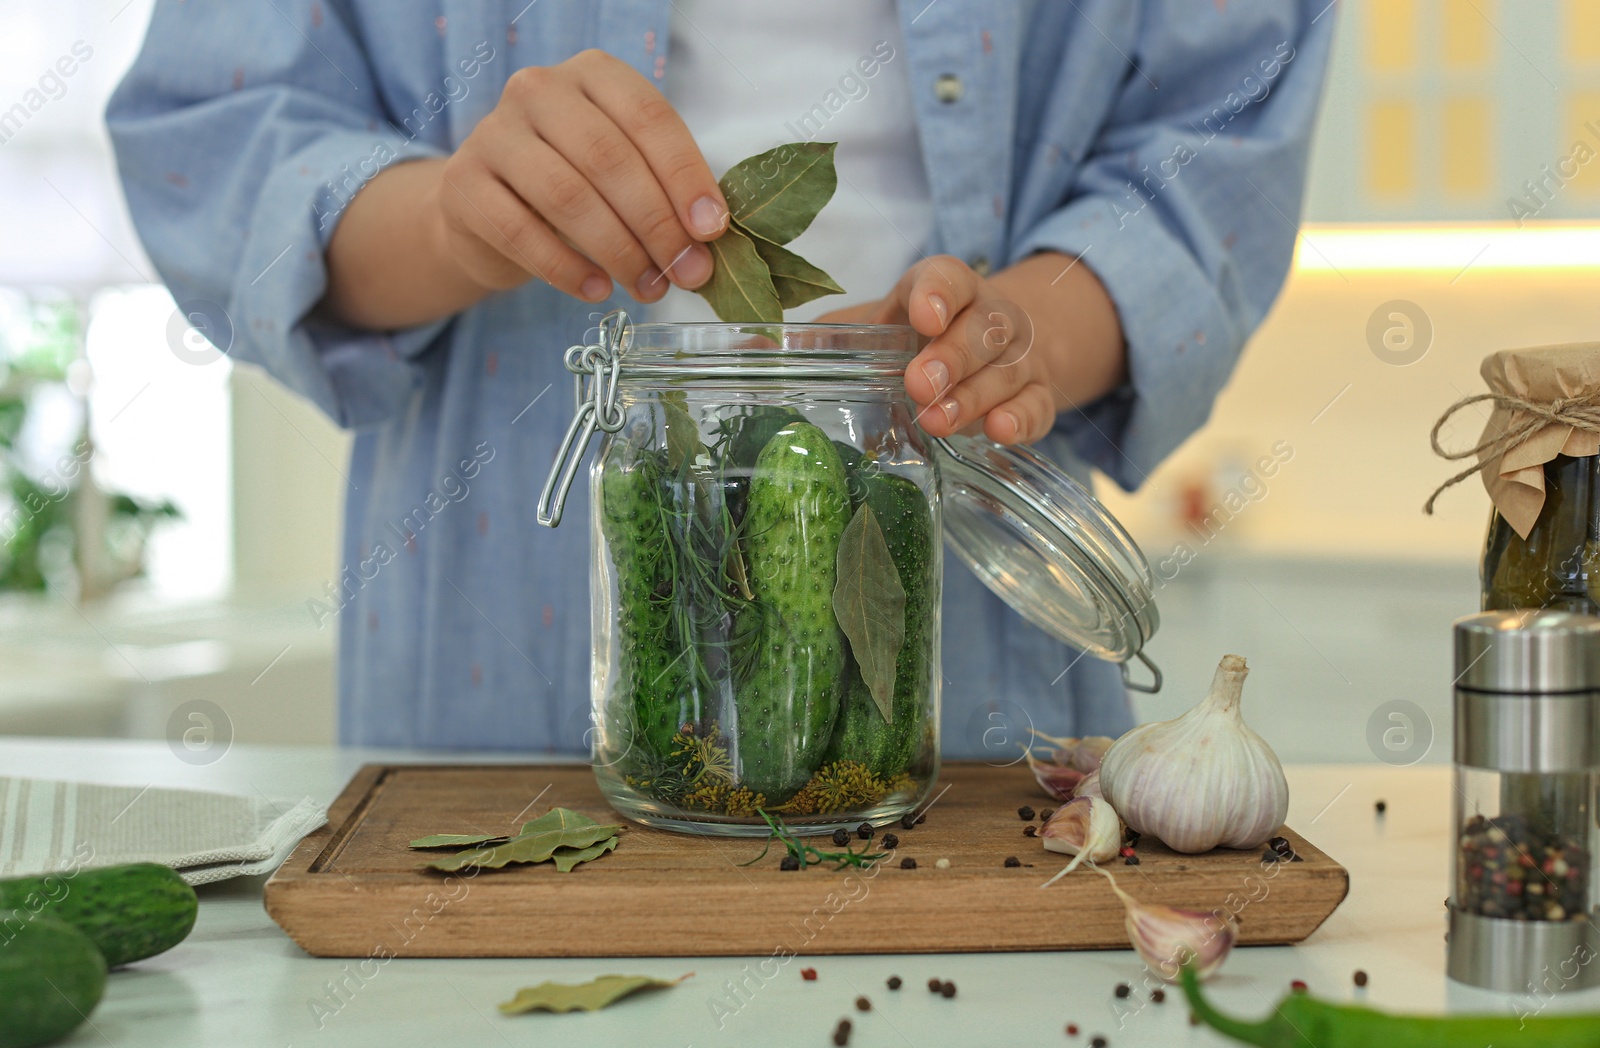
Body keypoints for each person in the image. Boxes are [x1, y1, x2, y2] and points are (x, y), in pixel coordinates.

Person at [108, 2, 1332, 756]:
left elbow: (1218, 136)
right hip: (487, 650)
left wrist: (1017, 333)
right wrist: (451, 221)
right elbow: (213, 135)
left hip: (973, 629)